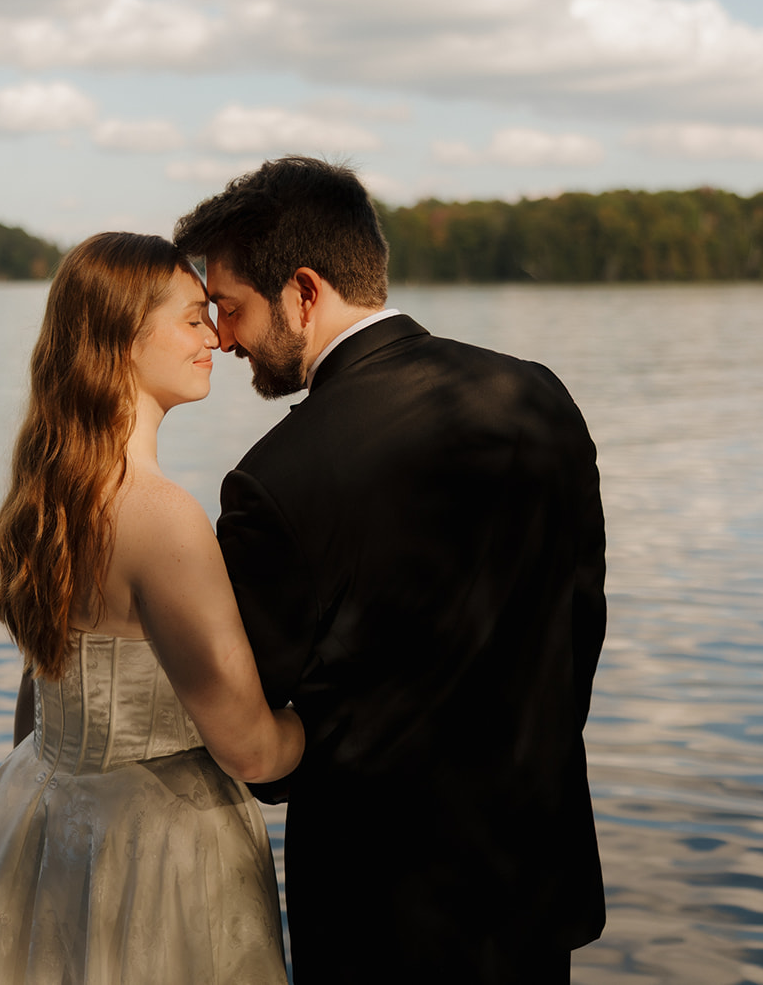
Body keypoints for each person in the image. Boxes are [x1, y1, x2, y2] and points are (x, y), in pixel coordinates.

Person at [173, 156, 607, 983]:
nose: (221, 337)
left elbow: (255, 709)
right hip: (534, 882)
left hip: (381, 914)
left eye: (229, 307)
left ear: (303, 292)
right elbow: (577, 629)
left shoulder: (277, 477)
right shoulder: (538, 397)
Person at [0, 232, 303, 985]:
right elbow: (252, 749)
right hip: (153, 846)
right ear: (124, 337)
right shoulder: (162, 516)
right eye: (193, 318)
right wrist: (340, 725)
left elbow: (37, 698)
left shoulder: (51, 498)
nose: (218, 337)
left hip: (39, 812)